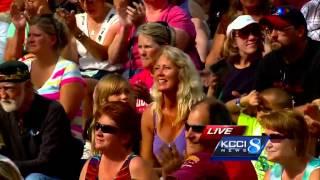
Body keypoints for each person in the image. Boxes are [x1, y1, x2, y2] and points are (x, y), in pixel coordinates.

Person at [0, 60, 83, 179]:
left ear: (28, 86)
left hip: (54, 175)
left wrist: (7, 167)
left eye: (9, 89)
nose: (3, 95)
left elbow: (47, 163)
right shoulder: (3, 111)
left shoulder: (51, 111)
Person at [140, 46, 205, 174]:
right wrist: (167, 171)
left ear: (182, 73)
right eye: (157, 68)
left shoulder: (197, 111)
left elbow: (206, 164)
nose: (160, 73)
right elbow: (146, 169)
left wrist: (178, 169)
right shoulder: (150, 114)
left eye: (167, 68)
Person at [158, 97, 258, 180]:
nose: (188, 135)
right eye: (187, 127)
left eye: (198, 129)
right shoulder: (236, 156)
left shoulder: (204, 160)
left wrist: (173, 173)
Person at [22, 15, 85, 139]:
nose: (30, 40)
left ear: (52, 40)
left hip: (62, 142)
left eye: (37, 35)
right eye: (29, 35)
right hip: (27, 142)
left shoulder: (68, 69)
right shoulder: (24, 67)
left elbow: (63, 115)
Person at [112, 0, 202, 79]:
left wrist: (142, 25)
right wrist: (125, 28)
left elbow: (172, 51)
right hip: (130, 74)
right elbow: (114, 59)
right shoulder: (133, 15)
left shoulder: (177, 15)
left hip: (164, 75)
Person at [256, 6, 320, 107]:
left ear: (300, 31)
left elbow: (317, 107)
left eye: (279, 29)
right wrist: (241, 102)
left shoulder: (316, 57)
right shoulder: (269, 61)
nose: (273, 35)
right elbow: (256, 100)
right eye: (270, 29)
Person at [79, 101, 158, 180]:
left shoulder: (136, 166)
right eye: (97, 126)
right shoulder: (91, 164)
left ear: (125, 137)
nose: (98, 133)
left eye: (106, 129)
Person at [82, 73, 136, 159]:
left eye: (127, 92)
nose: (124, 96)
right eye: (117, 93)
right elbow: (87, 157)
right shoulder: (92, 123)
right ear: (103, 99)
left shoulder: (138, 122)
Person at [211, 15, 264, 102]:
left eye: (255, 32)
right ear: (233, 41)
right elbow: (211, 103)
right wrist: (212, 88)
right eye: (244, 33)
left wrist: (240, 102)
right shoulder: (222, 67)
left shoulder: (264, 67)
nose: (252, 37)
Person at [205, 0, 271, 67]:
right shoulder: (228, 19)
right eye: (244, 32)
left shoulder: (273, 18)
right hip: (235, 70)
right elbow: (215, 55)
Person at [260, 110, 320, 180]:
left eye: (275, 137)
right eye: (265, 137)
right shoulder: (271, 174)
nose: (267, 145)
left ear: (297, 140)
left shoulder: (317, 173)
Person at [129, 22, 175, 113]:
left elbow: (176, 113)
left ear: (165, 47)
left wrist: (148, 99)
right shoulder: (138, 80)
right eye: (140, 47)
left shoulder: (175, 77)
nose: (142, 53)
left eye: (147, 47)